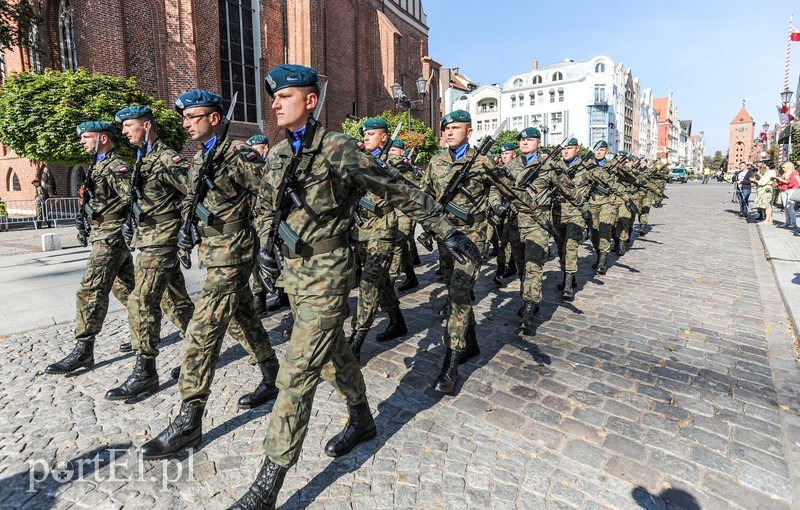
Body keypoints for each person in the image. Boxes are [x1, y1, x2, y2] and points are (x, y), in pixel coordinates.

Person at [228, 64, 480, 509]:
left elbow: (395, 187)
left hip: (328, 272)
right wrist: (266, 243)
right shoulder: (281, 154)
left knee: (297, 372)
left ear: (309, 102)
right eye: (273, 97)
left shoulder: (338, 148)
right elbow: (267, 205)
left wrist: (446, 228)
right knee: (335, 357)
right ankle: (363, 418)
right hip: (295, 275)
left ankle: (266, 484)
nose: (274, 103)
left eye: (284, 96)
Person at [139, 89, 281, 460]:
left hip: (235, 250)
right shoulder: (203, 156)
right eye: (184, 118)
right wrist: (187, 225)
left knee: (203, 331)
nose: (185, 124)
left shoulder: (238, 154)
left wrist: (268, 246)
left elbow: (269, 201)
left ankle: (189, 419)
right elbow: (193, 196)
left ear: (215, 118)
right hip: (213, 248)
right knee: (244, 318)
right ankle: (272, 373)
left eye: (193, 117)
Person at [103, 105, 196, 401]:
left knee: (141, 301)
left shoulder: (167, 158)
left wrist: (183, 229)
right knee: (176, 304)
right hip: (148, 239)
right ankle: (200, 355)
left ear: (145, 125)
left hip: (161, 241)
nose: (124, 132)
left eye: (129, 126)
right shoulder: (143, 159)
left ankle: (145, 372)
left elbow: (192, 193)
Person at [45, 121, 136, 374]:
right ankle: (146, 330)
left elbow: (134, 200)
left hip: (111, 236)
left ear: (103, 138)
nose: (82, 142)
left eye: (86, 137)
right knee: (127, 288)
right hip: (102, 233)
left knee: (90, 289)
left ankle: (84, 350)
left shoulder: (116, 167)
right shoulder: (98, 166)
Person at [491, 127, 578, 333]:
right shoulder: (510, 166)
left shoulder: (550, 166)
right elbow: (495, 187)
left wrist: (583, 211)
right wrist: (496, 204)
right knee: (521, 266)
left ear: (539, 143)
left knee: (533, 266)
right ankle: (531, 296)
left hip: (537, 224)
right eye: (522, 140)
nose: (525, 143)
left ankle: (529, 310)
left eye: (530, 140)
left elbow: (569, 190)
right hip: (514, 224)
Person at [348, 117, 408, 360]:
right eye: (365, 135)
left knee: (369, 283)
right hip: (361, 228)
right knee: (381, 280)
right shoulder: (364, 160)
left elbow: (407, 189)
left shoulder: (393, 162)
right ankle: (397, 321)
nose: (366, 138)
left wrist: (384, 168)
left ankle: (356, 338)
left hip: (382, 229)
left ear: (384, 137)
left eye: (371, 134)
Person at [551, 138, 591, 300]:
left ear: (577, 148)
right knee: (561, 248)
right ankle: (569, 276)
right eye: (563, 149)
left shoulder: (587, 168)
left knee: (571, 247)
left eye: (569, 148)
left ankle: (567, 284)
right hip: (558, 212)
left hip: (576, 213)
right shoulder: (555, 167)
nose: (565, 151)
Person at [775, 161, 800, 230]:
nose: (783, 169)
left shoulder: (794, 172)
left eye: (784, 167)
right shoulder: (785, 173)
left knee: (790, 207)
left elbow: (797, 181)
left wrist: (782, 180)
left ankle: (793, 223)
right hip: (784, 190)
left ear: (788, 167)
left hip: (792, 190)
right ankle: (787, 222)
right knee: (785, 207)